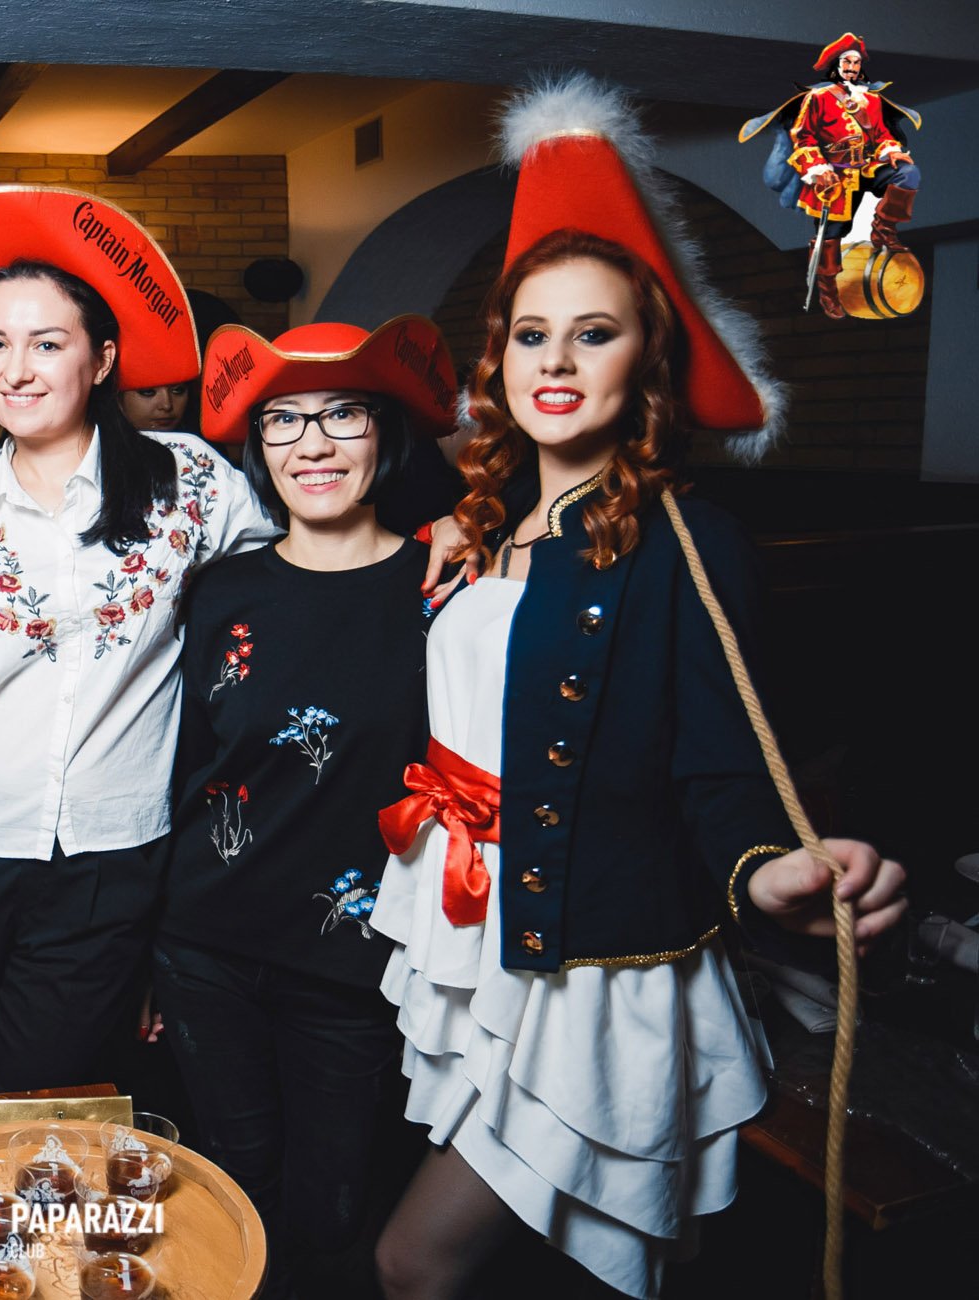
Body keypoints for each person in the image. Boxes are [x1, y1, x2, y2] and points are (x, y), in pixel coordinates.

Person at [368, 78, 908, 1300]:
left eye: (594, 333)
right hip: (475, 926)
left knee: (430, 1260)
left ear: (644, 360)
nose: (556, 360)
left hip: (594, 967)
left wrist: (769, 870)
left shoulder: (688, 542)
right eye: (531, 334)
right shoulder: (480, 522)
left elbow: (723, 767)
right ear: (497, 358)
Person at [0, 186, 280, 1097]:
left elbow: (293, 574)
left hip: (111, 858)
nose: (15, 371)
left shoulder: (189, 482)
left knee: (39, 1101)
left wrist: (437, 530)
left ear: (102, 360)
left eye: (47, 344)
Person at [155, 316, 457, 1298]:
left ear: (385, 431)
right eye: (284, 420)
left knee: (333, 1212)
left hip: (354, 966)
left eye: (343, 414)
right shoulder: (217, 590)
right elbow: (181, 769)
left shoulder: (447, 585)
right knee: (232, 1193)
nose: (312, 444)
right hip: (205, 949)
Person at [743, 32, 923, 318]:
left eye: (856, 62)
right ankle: (828, 290)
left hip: (866, 168)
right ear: (836, 66)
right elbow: (804, 138)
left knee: (907, 174)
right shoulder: (818, 98)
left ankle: (883, 230)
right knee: (829, 238)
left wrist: (891, 151)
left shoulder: (871, 100)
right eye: (846, 62)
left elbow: (881, 135)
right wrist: (819, 168)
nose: (851, 67)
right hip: (835, 176)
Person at [118, 379, 193, 434]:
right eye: (148, 392)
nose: (167, 405)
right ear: (119, 398)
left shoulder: (196, 445)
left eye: (177, 390)